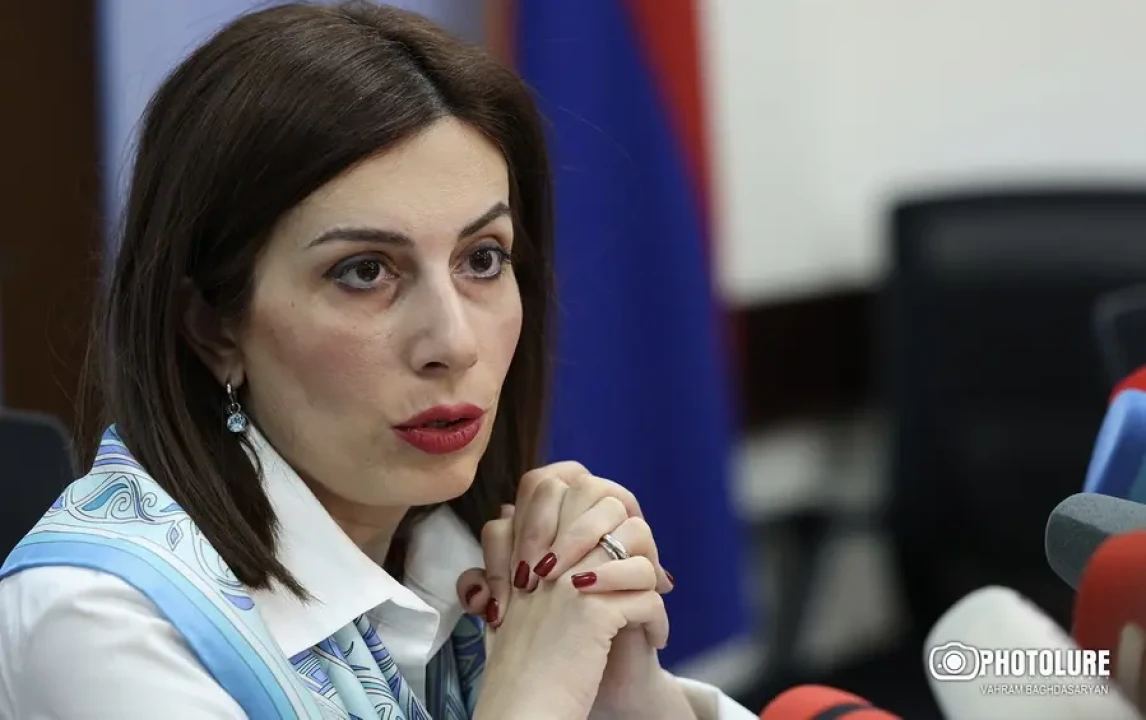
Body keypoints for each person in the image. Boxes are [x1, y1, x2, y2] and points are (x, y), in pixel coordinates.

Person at [0, 3, 755, 719]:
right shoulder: (97, 620)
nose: (454, 342)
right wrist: (535, 695)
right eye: (365, 272)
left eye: (482, 258)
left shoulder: (473, 563)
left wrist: (629, 701)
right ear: (211, 326)